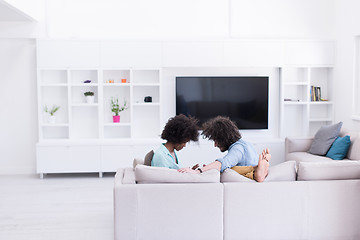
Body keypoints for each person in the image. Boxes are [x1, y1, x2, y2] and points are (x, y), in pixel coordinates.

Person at [178, 116, 271, 182]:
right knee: (223, 169)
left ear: (223, 138)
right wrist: (210, 169)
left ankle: (257, 173)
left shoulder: (238, 149)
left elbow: (223, 163)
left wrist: (198, 171)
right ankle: (259, 170)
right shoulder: (245, 144)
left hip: (248, 179)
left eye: (216, 141)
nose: (215, 145)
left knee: (227, 170)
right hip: (248, 170)